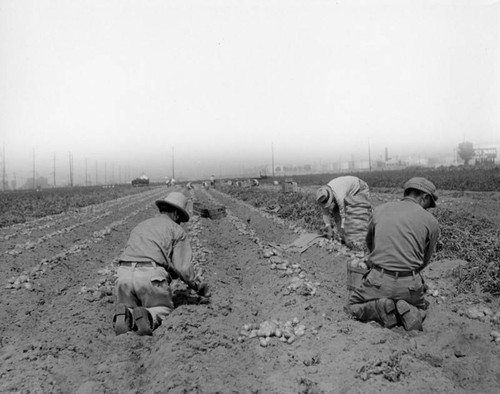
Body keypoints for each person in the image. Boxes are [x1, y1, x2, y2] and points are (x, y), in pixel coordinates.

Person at [346, 177, 440, 331]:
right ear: (425, 198)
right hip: (410, 284)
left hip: (379, 280)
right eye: (428, 205)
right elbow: (424, 260)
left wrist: (378, 261)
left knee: (351, 306)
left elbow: (370, 244)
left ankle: (380, 306)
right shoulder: (432, 222)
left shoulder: (380, 210)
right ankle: (412, 311)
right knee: (424, 308)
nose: (427, 209)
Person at [112, 191, 211, 336]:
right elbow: (183, 268)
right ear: (177, 215)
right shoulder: (176, 229)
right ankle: (149, 316)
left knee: (131, 304)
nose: (180, 223)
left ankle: (127, 313)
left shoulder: (141, 225)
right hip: (150, 276)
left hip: (123, 274)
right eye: (180, 219)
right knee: (163, 309)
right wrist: (201, 288)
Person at [316, 175, 371, 246]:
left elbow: (344, 217)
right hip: (347, 193)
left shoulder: (339, 196)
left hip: (359, 189)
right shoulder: (324, 195)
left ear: (330, 196)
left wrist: (343, 230)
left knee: (358, 214)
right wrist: (328, 228)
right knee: (335, 211)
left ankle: (363, 240)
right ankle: (344, 238)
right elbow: (325, 213)